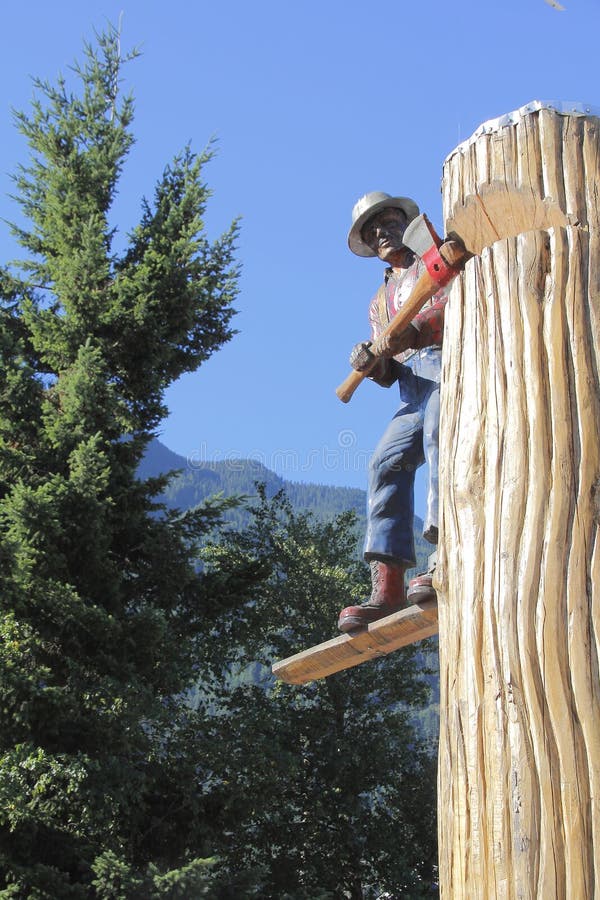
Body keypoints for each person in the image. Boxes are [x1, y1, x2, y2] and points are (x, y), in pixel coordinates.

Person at [337, 191, 448, 633]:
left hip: (451, 369)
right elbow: (388, 372)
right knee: (384, 461)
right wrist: (373, 362)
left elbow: (455, 301)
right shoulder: (378, 302)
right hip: (412, 391)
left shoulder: (435, 260)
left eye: (386, 223)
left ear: (406, 220)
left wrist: (415, 331)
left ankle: (447, 554)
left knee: (443, 435)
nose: (381, 234)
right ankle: (389, 585)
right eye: (372, 232)